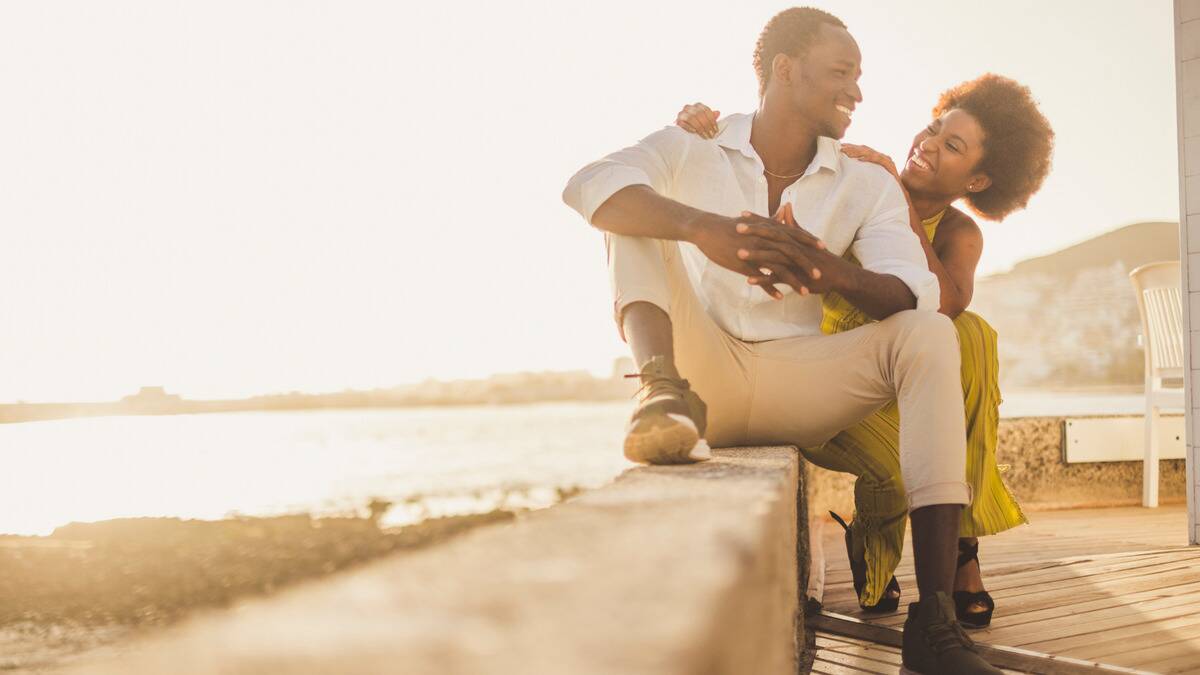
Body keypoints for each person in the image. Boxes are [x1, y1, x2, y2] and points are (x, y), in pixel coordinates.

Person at [563, 7, 1004, 674]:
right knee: (628, 208)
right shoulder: (694, 144)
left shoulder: (866, 180)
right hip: (701, 374)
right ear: (785, 70)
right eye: (841, 72)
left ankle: (934, 621)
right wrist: (705, 229)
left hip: (800, 382)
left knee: (929, 332)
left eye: (859, 77)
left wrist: (825, 269)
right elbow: (587, 184)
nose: (857, 91)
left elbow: (917, 288)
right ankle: (659, 390)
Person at [673, 74, 1054, 629]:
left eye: (952, 146)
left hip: (905, 385)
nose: (927, 144)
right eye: (933, 128)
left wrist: (901, 201)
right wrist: (701, 132)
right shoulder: (858, 181)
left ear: (979, 178)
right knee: (902, 465)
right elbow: (772, 166)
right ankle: (891, 551)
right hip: (821, 376)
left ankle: (962, 549)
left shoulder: (957, 233)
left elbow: (941, 306)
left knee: (969, 333)